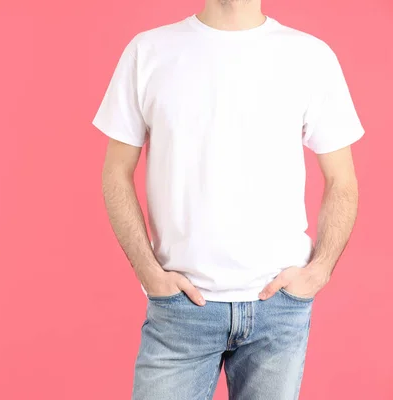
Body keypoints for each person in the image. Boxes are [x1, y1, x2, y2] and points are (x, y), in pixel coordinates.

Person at [91, 0, 364, 399]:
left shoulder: (310, 56)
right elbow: (115, 172)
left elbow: (342, 180)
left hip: (278, 309)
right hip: (180, 310)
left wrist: (318, 271)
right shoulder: (148, 52)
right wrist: (149, 272)